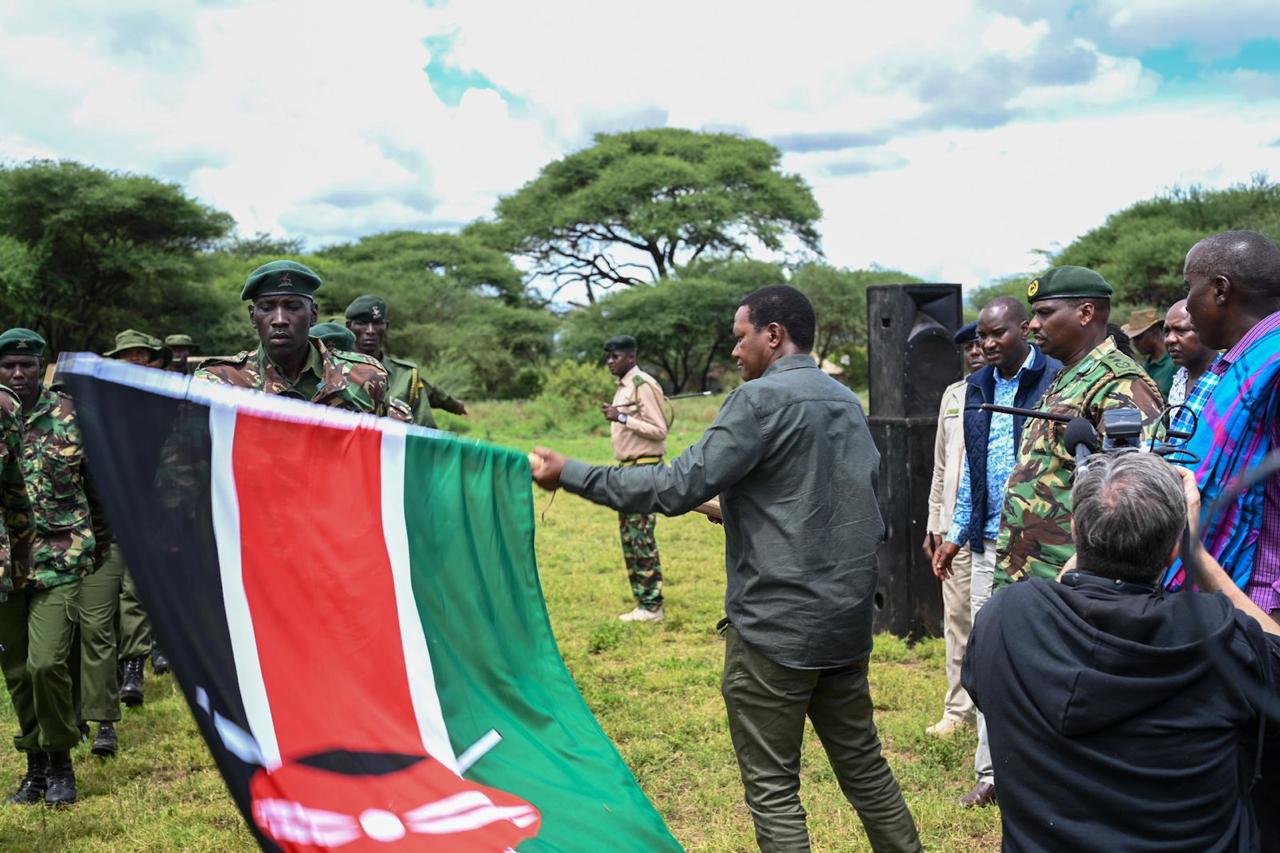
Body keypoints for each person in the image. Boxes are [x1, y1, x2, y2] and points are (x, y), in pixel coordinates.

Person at [531, 286, 922, 852]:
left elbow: (669, 486)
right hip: (845, 624)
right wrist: (734, 508)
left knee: (773, 791)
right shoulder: (845, 402)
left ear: (773, 335)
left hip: (775, 632)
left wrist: (571, 473)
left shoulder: (757, 401)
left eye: (741, 337)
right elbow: (833, 502)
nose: (736, 351)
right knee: (866, 770)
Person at [963, 451, 1280, 851]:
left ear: (1074, 531)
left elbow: (1052, 611)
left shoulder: (1006, 620)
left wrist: (1100, 528)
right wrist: (1196, 553)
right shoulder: (1222, 639)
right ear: (1172, 550)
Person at [933, 296, 1061, 808]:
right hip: (988, 547)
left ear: (1024, 331)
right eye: (982, 337)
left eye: (998, 334)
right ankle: (992, 773)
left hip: (1043, 545)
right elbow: (972, 474)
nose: (987, 344)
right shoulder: (976, 388)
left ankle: (1050, 770)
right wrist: (954, 534)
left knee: (1047, 657)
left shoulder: (1054, 377)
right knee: (990, 658)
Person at [997, 266, 1164, 585]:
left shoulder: (1119, 384)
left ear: (1086, 313)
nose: (1033, 325)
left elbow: (1132, 504)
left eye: (1044, 313)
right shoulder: (1070, 376)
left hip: (1073, 586)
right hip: (1031, 575)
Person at [0, 328, 109, 806]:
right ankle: (35, 766)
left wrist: (95, 550)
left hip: (59, 558)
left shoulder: (73, 416)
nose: (18, 374)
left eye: (27, 365)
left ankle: (61, 758)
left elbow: (102, 493)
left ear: (41, 367)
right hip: (5, 565)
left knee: (46, 664)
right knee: (18, 671)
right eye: (8, 366)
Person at [1172, 229, 1280, 617]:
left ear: (1219, 290)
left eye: (1189, 288)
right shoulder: (1239, 362)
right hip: (1220, 600)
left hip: (1262, 606)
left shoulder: (1274, 364)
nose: (1186, 305)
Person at [195, 262, 405, 421]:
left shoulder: (365, 377)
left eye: (292, 307)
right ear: (252, 317)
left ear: (313, 314)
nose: (279, 320)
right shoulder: (219, 383)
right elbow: (189, 465)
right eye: (267, 308)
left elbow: (387, 459)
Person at [921, 321, 985, 738]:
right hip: (952, 529)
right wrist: (934, 523)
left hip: (999, 529)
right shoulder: (954, 395)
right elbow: (941, 467)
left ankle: (992, 711)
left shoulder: (1014, 394)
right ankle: (957, 710)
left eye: (985, 343)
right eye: (970, 348)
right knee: (957, 618)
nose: (977, 351)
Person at [600, 335, 671, 623]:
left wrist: (622, 418)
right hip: (628, 469)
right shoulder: (626, 387)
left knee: (640, 536)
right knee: (630, 535)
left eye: (614, 356)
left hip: (643, 469)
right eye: (608, 357)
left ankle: (652, 606)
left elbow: (659, 430)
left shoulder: (643, 384)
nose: (609, 362)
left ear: (630, 356)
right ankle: (644, 600)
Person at [343, 295, 466, 428]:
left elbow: (424, 429)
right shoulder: (333, 369)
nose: (370, 331)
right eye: (362, 323)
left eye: (377, 323)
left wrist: (456, 405)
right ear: (349, 326)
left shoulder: (406, 376)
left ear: (386, 326)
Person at [1163, 298, 1216, 409]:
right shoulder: (1180, 378)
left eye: (1181, 330)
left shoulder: (1226, 378)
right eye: (1166, 332)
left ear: (1205, 329)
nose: (1169, 339)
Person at [1121, 307, 1177, 398]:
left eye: (1138, 338)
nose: (1134, 343)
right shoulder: (1145, 367)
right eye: (1133, 339)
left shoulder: (1174, 364)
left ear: (1154, 333)